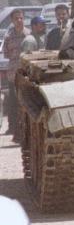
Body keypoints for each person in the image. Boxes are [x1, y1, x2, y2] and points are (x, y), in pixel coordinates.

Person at [3, 10, 26, 141]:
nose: (19, 20)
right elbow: (6, 54)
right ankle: (14, 128)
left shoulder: (28, 35)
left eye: (21, 18)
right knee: (14, 103)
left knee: (25, 103)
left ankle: (23, 131)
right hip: (13, 75)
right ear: (12, 20)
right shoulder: (9, 37)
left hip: (26, 74)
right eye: (16, 18)